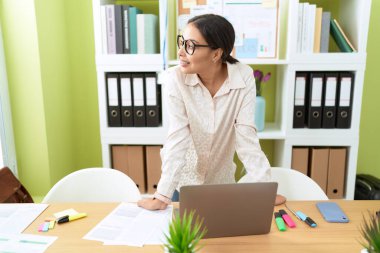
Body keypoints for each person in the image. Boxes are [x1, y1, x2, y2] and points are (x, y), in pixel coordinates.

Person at [138, 14, 285, 210]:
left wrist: (266, 189)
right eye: (181, 42)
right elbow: (178, 138)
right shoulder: (175, 79)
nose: (181, 52)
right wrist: (162, 196)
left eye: (190, 46)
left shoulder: (243, 77)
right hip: (181, 186)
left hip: (222, 186)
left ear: (216, 54)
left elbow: (246, 137)